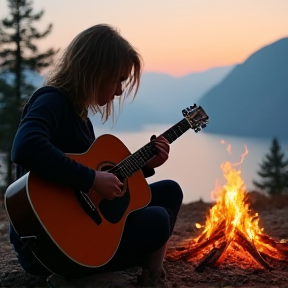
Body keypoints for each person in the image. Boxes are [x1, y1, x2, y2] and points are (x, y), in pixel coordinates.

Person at [8, 24, 183, 287]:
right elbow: (25, 147)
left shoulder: (81, 118)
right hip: (48, 245)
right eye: (118, 80)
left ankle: (151, 274)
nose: (119, 91)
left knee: (170, 191)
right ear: (96, 72)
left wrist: (144, 167)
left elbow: (98, 191)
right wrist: (91, 178)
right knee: (157, 219)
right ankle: (80, 276)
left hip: (78, 235)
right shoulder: (52, 101)